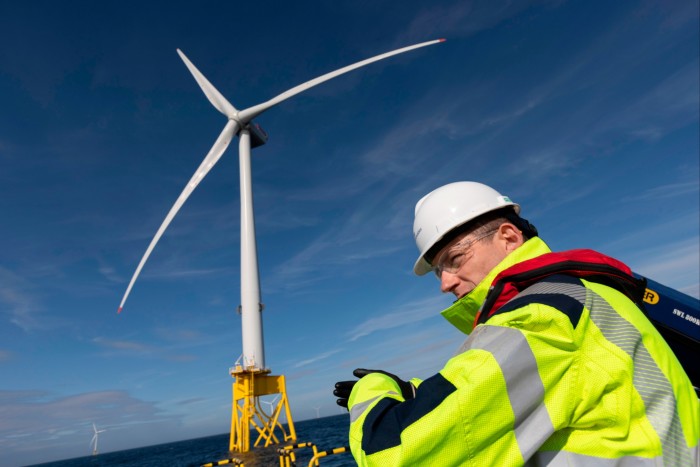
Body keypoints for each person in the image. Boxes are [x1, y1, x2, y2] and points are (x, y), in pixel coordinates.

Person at [334, 181, 699, 466]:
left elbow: (395, 453)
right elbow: (518, 385)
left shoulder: (540, 315)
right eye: (438, 271)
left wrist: (373, 389)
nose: (445, 283)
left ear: (509, 237)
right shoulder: (579, 293)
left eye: (455, 259)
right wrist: (412, 391)